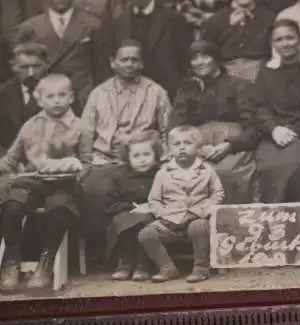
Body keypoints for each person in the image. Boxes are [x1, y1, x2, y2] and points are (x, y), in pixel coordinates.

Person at [80, 39, 171, 267]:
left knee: (142, 191)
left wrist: (164, 160)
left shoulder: (156, 91)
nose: (129, 64)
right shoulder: (99, 94)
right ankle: (104, 253)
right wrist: (86, 161)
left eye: (134, 59)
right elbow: (86, 132)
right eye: (124, 59)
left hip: (144, 160)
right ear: (113, 63)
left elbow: (167, 130)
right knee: (94, 190)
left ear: (141, 63)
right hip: (106, 159)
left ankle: (140, 256)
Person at [0, 73, 92, 290]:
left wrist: (76, 174)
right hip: (33, 181)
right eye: (50, 96)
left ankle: (46, 262)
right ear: (39, 100)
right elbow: (12, 158)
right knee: (13, 205)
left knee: (60, 209)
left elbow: (87, 161)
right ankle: (12, 258)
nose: (57, 100)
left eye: (62, 95)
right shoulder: (30, 126)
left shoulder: (80, 127)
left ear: (71, 97)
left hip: (64, 183)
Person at [171, 40, 259, 204]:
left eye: (204, 56)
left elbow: (253, 125)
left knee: (227, 173)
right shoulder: (187, 89)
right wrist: (195, 147)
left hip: (233, 146)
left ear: (216, 59)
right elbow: (176, 124)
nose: (199, 62)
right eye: (194, 58)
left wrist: (230, 145)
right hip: (196, 146)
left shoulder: (239, 85)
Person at [253, 19, 300, 203]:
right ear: (272, 44)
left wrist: (296, 130)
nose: (285, 43)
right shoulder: (266, 70)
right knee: (267, 165)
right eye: (278, 40)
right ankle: (274, 221)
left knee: (295, 167)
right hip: (275, 133)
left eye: (290, 38)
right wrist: (274, 129)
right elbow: (259, 106)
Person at [138, 126, 224, 283]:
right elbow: (154, 200)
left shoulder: (207, 170)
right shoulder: (164, 173)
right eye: (177, 144)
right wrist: (162, 214)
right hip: (170, 221)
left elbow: (217, 193)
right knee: (146, 234)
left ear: (198, 147)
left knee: (200, 227)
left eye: (188, 143)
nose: (182, 147)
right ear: (170, 149)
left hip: (197, 218)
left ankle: (201, 268)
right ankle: (167, 267)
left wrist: (205, 210)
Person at [15, 0, 106, 114]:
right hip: (45, 97)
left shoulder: (92, 25)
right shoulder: (30, 27)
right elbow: (22, 67)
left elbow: (101, 67)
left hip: (81, 96)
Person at [105, 0, 193, 101]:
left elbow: (185, 59)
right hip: (129, 94)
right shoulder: (120, 19)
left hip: (166, 92)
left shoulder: (173, 19)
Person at [105, 130, 162, 281]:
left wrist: (150, 207)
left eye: (146, 154)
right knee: (123, 222)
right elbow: (110, 204)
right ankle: (124, 264)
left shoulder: (160, 174)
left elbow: (168, 197)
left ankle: (143, 265)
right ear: (128, 158)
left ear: (155, 155)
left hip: (152, 213)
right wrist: (132, 208)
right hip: (125, 214)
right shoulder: (119, 176)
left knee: (146, 223)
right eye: (136, 156)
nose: (142, 160)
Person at [200, 0, 275, 82]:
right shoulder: (216, 19)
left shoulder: (269, 18)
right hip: (226, 73)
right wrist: (230, 27)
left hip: (260, 72)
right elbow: (207, 50)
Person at [0, 42, 48, 156]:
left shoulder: (60, 91)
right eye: (24, 67)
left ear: (47, 65)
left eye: (36, 66)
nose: (31, 73)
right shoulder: (3, 94)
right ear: (13, 67)